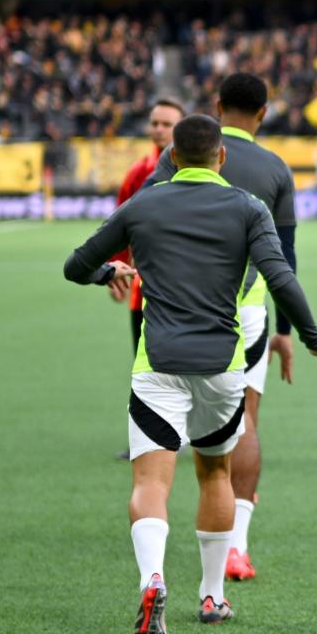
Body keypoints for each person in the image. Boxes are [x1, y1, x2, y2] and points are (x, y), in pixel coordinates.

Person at [63, 115, 317, 634]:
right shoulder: (247, 208)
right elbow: (280, 278)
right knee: (214, 475)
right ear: (222, 157)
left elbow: (77, 265)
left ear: (171, 154)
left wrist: (107, 274)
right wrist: (313, 339)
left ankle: (153, 581)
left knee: (150, 483)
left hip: (159, 364)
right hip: (221, 368)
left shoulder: (144, 202)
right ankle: (212, 595)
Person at [143, 74, 298, 583]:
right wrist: (287, 332)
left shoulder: (185, 150)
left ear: (216, 105)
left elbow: (141, 211)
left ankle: (156, 546)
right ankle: (237, 546)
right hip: (246, 308)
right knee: (245, 418)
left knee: (164, 434)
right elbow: (285, 261)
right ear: (264, 112)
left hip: (179, 305)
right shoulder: (275, 168)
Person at [110, 100, 184, 460]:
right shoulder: (139, 172)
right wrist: (116, 268)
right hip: (146, 290)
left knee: (195, 363)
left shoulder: (195, 170)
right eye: (154, 122)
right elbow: (119, 222)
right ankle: (147, 437)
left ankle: (202, 434)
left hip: (190, 286)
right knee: (145, 365)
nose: (157, 129)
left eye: (166, 123)